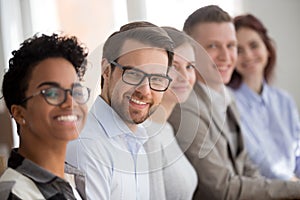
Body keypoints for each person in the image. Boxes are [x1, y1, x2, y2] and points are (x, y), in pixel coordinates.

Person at [168, 5, 300, 200]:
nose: (225, 56)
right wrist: (293, 190)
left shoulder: (225, 97)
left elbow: (246, 166)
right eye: (213, 46)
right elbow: (222, 189)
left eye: (231, 46)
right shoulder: (185, 109)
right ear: (190, 51)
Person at [66, 21, 174, 200]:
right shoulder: (87, 146)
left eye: (157, 79)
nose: (145, 91)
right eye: (133, 74)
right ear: (106, 71)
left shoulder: (137, 143)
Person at [0, 33, 90, 199]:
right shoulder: (15, 194)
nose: (70, 103)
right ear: (19, 113)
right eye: (52, 93)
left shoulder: (74, 183)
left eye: (76, 91)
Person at [227, 14, 300, 181]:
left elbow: (298, 154)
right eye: (239, 50)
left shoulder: (284, 100)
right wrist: (292, 183)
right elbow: (258, 161)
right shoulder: (228, 102)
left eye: (254, 45)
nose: (248, 55)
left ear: (267, 48)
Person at [143, 27, 204, 199]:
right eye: (174, 67)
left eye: (190, 67)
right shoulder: (147, 136)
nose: (185, 76)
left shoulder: (165, 128)